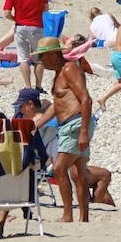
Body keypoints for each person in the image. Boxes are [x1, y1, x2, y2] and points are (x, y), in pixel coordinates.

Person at [35, 37, 93, 222]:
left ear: (53, 54)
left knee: (59, 169)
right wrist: (37, 125)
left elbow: (86, 99)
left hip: (76, 123)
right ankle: (83, 218)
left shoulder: (69, 69)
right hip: (72, 124)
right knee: (78, 173)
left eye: (43, 57)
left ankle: (67, 215)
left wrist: (83, 131)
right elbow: (56, 105)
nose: (41, 61)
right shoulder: (61, 71)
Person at [4, 0, 48, 88]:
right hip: (36, 26)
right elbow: (46, 8)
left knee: (23, 58)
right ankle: (38, 86)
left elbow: (6, 13)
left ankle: (28, 86)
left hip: (21, 27)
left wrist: (16, 19)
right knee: (39, 58)